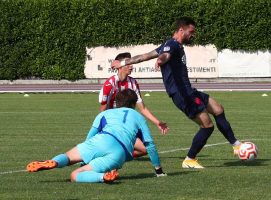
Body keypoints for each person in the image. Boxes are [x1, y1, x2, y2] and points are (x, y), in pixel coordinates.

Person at [110, 17, 243, 170]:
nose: (192, 35)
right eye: (191, 32)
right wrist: (161, 60)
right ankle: (189, 159)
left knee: (218, 108)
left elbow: (144, 56)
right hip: (183, 95)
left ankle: (236, 145)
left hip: (190, 91)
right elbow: (165, 55)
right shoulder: (172, 45)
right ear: (181, 30)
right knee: (207, 126)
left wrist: (122, 63)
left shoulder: (170, 44)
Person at [26, 89, 166, 183]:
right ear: (134, 104)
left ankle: (54, 162)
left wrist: (85, 157)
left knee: (68, 157)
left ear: (116, 103)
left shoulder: (104, 114)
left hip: (100, 140)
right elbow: (150, 145)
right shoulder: (138, 116)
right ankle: (102, 176)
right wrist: (158, 171)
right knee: (75, 175)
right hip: (119, 152)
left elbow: (90, 137)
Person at [100, 51, 169, 158]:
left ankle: (119, 155)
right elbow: (103, 110)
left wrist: (157, 122)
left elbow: (142, 108)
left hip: (127, 122)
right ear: (120, 66)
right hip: (113, 124)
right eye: (128, 64)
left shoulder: (133, 83)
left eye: (132, 63)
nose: (132, 67)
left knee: (146, 149)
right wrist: (101, 128)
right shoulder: (109, 84)